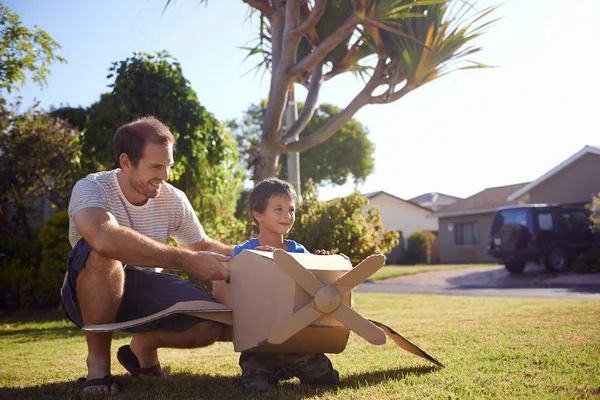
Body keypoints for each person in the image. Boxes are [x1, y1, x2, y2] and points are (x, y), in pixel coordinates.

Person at [61, 116, 233, 394]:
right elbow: (103, 237)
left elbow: (201, 244)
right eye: (155, 166)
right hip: (85, 292)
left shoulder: (173, 198)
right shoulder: (91, 187)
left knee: (211, 322)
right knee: (104, 250)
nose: (164, 176)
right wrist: (187, 261)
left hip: (143, 289)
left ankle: (142, 348)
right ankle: (98, 367)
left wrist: (250, 250)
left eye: (168, 166)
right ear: (126, 162)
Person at [231, 178, 340, 392]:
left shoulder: (299, 251)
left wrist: (320, 260)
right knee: (256, 388)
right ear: (258, 214)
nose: (287, 215)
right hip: (260, 345)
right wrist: (255, 259)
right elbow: (235, 283)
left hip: (300, 341)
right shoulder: (243, 252)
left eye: (291, 210)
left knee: (327, 382)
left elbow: (317, 285)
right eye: (278, 209)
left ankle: (294, 367)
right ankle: (264, 372)